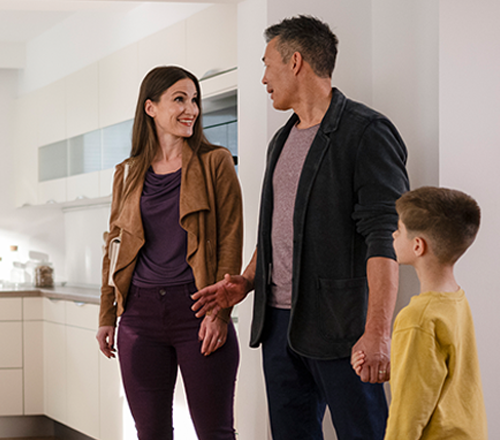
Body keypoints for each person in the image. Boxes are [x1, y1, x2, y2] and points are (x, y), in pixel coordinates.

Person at [191, 15, 409, 439]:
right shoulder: (283, 139)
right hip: (279, 327)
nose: (263, 78)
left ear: (295, 61)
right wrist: (247, 281)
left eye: (267, 64)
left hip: (341, 328)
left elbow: (383, 237)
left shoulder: (367, 132)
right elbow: (277, 229)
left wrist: (377, 334)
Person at [95, 66, 243, 440]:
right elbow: (113, 247)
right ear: (150, 108)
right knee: (150, 433)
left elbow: (230, 239)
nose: (190, 109)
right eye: (179, 99)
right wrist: (106, 314)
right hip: (139, 316)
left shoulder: (216, 162)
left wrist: (220, 312)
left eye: (194, 100)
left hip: (196, 309)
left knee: (215, 432)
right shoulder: (127, 173)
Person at [352, 187, 487, 440]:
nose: (393, 234)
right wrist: (401, 365)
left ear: (417, 246)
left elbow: (407, 417)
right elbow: (443, 375)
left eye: (399, 229)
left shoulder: (416, 318)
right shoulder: (456, 300)